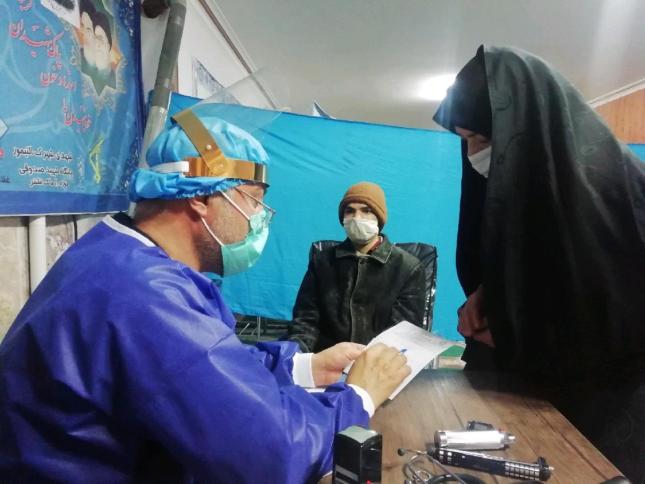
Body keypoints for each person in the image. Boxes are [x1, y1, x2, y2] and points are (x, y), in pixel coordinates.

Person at [0, 105, 411, 483]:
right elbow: (270, 457)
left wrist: (305, 367)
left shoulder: (118, 251)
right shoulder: (145, 295)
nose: (260, 218)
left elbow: (207, 367)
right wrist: (358, 397)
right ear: (200, 196)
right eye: (254, 201)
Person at [433, 45, 645, 481]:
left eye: (482, 139)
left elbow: (619, 324)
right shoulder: (526, 184)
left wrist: (517, 334)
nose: (473, 155)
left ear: (524, 129)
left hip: (607, 416)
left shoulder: (615, 194)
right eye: (465, 141)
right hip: (526, 402)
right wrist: (487, 295)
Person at [288, 181, 426, 352]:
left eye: (366, 210)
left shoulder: (407, 268)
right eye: (350, 211)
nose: (356, 218)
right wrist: (299, 356)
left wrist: (366, 363)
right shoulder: (322, 262)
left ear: (379, 217)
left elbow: (403, 335)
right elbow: (305, 321)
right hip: (327, 359)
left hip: (378, 362)